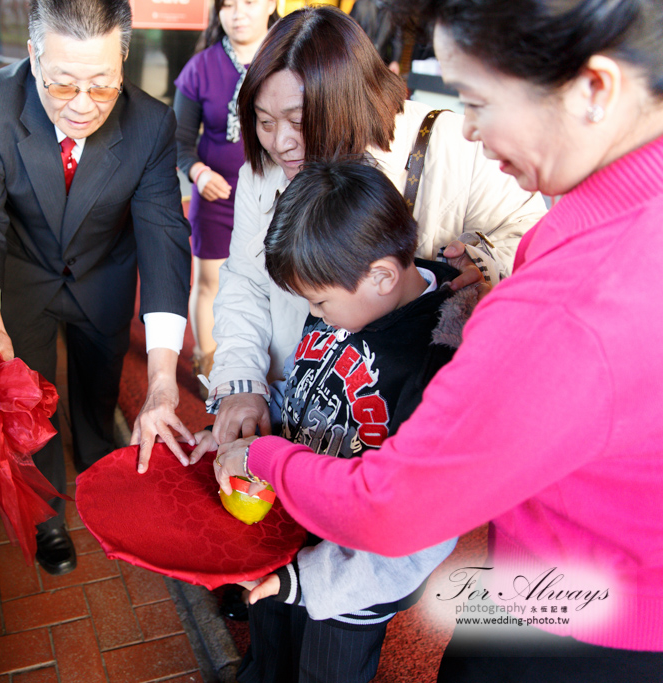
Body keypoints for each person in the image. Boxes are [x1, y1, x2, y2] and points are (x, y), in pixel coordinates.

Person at [214, 0, 663, 679]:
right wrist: (245, 386)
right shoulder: (606, 209)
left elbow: (392, 506)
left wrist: (268, 458)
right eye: (264, 122)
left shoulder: (570, 298)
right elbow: (245, 289)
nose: (475, 129)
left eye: (478, 100)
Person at [193, 6, 547, 459]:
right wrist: (242, 383)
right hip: (304, 406)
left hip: (411, 430)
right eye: (264, 122)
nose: (281, 142)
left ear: (347, 99)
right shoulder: (264, 171)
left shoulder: (453, 146)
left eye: (299, 122)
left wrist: (484, 260)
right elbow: (245, 279)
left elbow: (535, 239)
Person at [0, 0, 194, 576]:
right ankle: (48, 510)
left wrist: (160, 379)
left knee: (97, 390)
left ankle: (102, 471)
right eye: (63, 85)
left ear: (123, 61)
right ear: (33, 57)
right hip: (21, 277)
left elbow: (163, 241)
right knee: (30, 402)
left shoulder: (152, 125)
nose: (82, 106)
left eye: (102, 87)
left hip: (104, 278)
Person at [201, 159, 470, 682]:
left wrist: (315, 581)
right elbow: (312, 384)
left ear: (383, 276)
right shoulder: (347, 284)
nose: (315, 314)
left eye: (319, 303)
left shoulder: (439, 360)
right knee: (268, 651)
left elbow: (418, 521)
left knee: (327, 670)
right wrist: (255, 436)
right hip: (290, 527)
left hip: (353, 576)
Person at [173, 0, 277, 385]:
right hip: (215, 197)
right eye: (228, 5)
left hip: (276, 197)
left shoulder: (288, 56)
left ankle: (268, 367)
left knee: (274, 284)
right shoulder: (200, 66)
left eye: (248, 2)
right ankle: (209, 365)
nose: (238, 13)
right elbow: (180, 141)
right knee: (210, 284)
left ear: (272, 4)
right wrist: (198, 173)